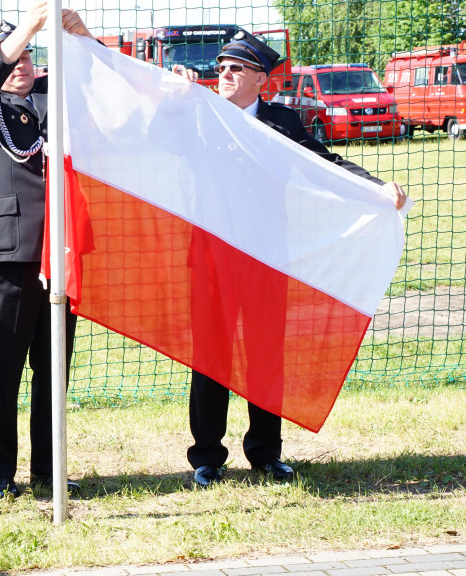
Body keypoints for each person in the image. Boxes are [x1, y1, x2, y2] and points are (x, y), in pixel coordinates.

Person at [171, 31, 408, 488]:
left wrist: (376, 188)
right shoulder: (198, 114)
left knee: (265, 357)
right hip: (213, 260)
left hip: (267, 259)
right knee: (210, 359)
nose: (223, 74)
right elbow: (150, 131)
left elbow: (325, 163)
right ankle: (206, 457)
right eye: (220, 68)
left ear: (261, 79)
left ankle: (265, 454)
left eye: (235, 68)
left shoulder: (283, 122)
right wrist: (172, 94)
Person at [0, 1, 95, 500]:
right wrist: (27, 27)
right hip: (8, 258)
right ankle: (0, 472)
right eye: (11, 59)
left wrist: (78, 33)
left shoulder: (51, 104)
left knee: (53, 367)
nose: (23, 66)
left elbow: (98, 86)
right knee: (2, 367)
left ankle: (48, 469)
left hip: (59, 254)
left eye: (29, 57)